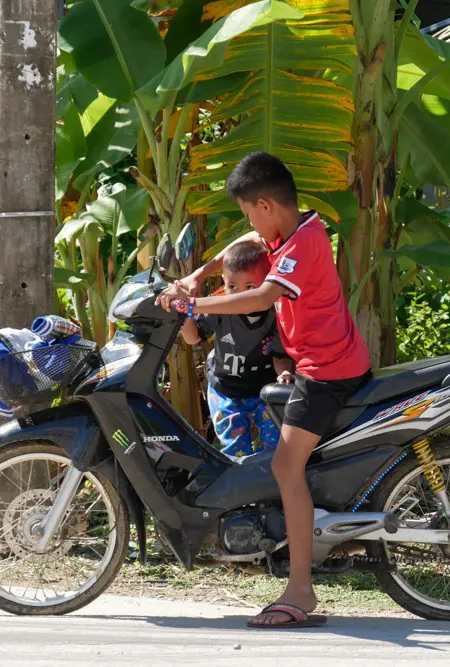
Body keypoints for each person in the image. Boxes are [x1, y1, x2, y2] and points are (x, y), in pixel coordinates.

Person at [158, 152, 372, 629]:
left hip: (326, 371)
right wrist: (199, 272)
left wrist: (194, 301)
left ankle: (300, 591)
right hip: (324, 362)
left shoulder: (299, 248)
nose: (250, 223)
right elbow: (246, 240)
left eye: (250, 211)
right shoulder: (298, 228)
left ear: (265, 204)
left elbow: (260, 297)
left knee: (284, 465)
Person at [180, 240, 295, 457]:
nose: (240, 295)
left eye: (250, 287)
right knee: (235, 452)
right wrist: (183, 314)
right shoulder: (220, 305)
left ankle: (266, 485)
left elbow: (280, 356)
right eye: (232, 286)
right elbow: (193, 338)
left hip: (263, 390)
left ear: (268, 283)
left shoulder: (277, 313)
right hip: (225, 392)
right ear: (224, 283)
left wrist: (285, 373)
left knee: (273, 448)